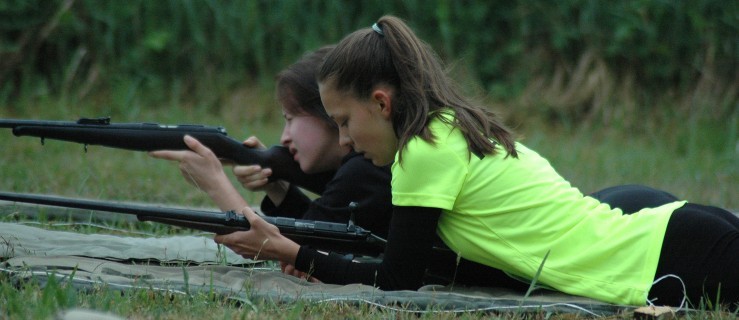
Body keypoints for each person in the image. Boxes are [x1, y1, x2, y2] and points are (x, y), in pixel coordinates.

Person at [212, 16, 739, 308]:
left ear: (381, 102)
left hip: (668, 254)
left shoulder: (424, 149)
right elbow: (436, 266)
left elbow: (397, 283)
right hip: (672, 236)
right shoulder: (445, 130)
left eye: (346, 122)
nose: (344, 142)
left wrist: (292, 252)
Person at [149, 46, 393, 276]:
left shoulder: (363, 171)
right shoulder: (364, 167)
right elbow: (319, 231)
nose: (284, 137)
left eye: (290, 119)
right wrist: (277, 188)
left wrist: (214, 183)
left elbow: (284, 250)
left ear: (329, 114)